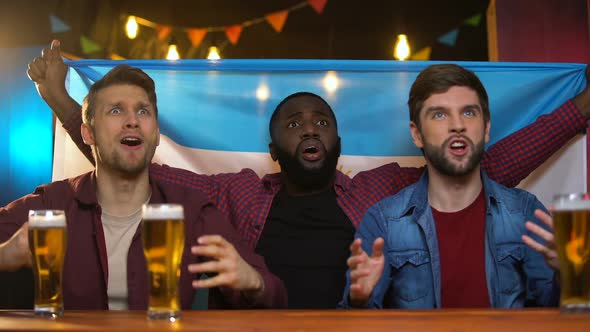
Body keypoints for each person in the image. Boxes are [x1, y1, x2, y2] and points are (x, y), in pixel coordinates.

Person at [28, 40, 590, 309]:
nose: (309, 129)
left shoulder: (383, 188)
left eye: (321, 121)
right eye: (294, 123)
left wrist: (580, 110)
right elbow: (134, 158)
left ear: (339, 143)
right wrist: (62, 100)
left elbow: (478, 164)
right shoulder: (234, 191)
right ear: (273, 148)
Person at [0, 64, 287, 310]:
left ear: (157, 134)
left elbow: (276, 296)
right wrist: (4, 255)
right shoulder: (51, 204)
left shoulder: (192, 209)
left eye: (143, 111)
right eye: (115, 110)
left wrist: (254, 282)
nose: (132, 121)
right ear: (88, 133)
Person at [340, 64, 559, 309]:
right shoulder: (383, 221)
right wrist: (359, 302)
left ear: (486, 129)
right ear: (417, 134)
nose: (457, 125)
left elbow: (555, 315)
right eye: (439, 114)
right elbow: (353, 319)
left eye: (468, 113)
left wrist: (569, 275)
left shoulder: (526, 212)